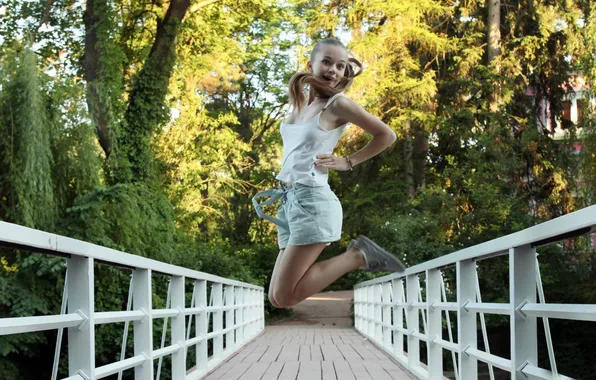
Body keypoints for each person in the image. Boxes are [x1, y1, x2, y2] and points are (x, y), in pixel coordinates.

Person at [252, 38, 405, 309]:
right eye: (327, 62)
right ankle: (357, 255)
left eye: (340, 65)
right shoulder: (299, 104)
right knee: (276, 298)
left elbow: (386, 135)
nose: (333, 70)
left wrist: (348, 161)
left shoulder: (337, 105)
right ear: (311, 64)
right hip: (290, 203)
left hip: (312, 202)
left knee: (285, 297)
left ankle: (357, 257)